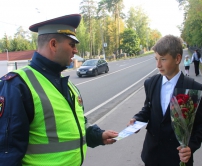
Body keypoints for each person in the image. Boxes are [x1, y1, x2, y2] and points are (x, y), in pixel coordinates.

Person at [0, 14, 118, 166]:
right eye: (72, 44)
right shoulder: (17, 86)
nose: (75, 51)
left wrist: (97, 135)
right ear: (54, 44)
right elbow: (6, 154)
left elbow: (75, 126)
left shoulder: (68, 86)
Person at [128, 35, 202, 166]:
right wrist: (137, 119)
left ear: (177, 58)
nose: (158, 65)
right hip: (152, 156)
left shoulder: (193, 88)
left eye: (163, 59)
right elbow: (148, 108)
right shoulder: (151, 83)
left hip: (177, 158)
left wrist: (191, 147)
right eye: (156, 59)